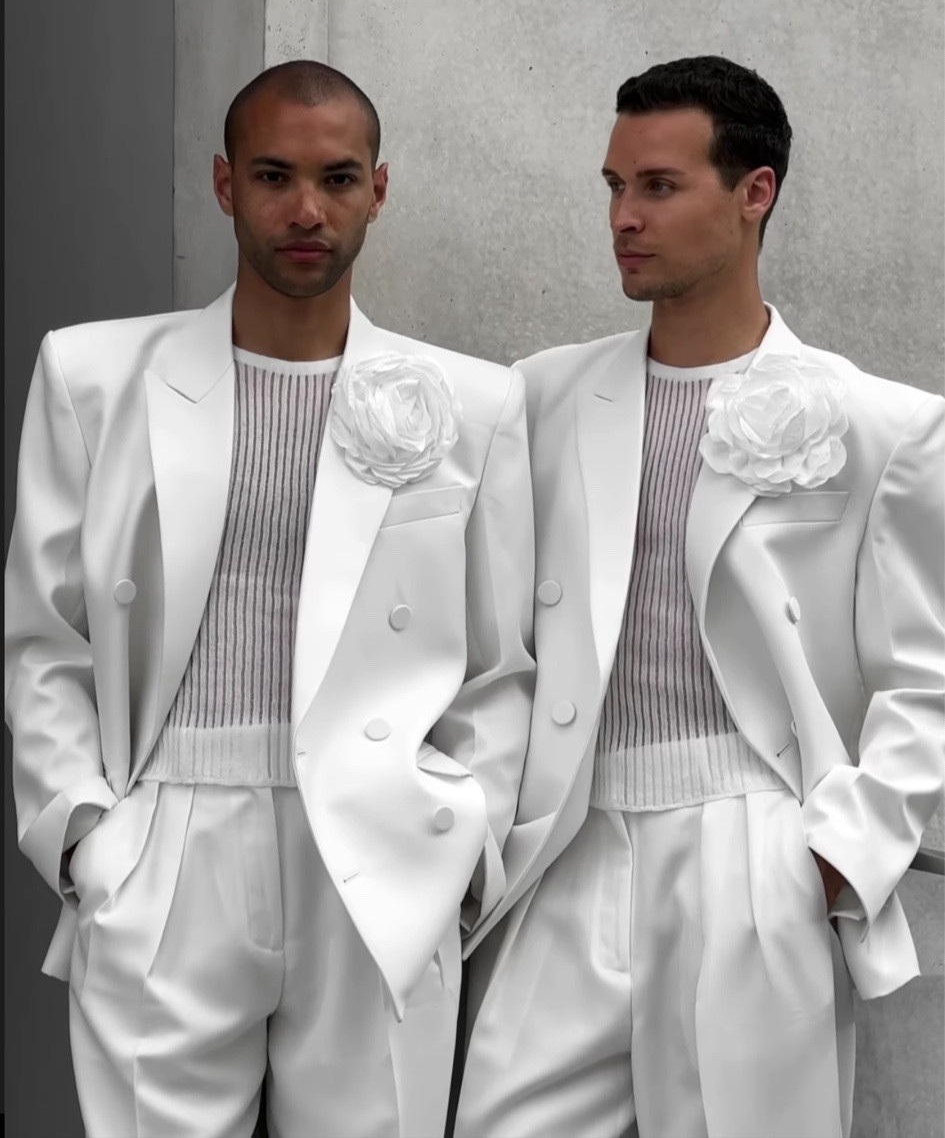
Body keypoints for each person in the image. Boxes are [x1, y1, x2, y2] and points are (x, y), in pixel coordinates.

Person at [5, 59, 535, 1138]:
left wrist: (463, 849)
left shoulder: (472, 403)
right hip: (167, 845)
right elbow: (43, 638)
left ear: (378, 190)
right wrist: (86, 838)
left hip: (381, 855)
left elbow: (498, 662)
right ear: (221, 183)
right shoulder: (94, 377)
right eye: (273, 175)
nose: (306, 210)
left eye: (338, 179)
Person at [454, 55, 944, 1138]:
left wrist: (834, 858)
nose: (624, 217)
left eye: (660, 187)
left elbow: (929, 683)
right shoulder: (538, 397)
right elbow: (490, 643)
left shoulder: (883, 427)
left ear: (754, 193)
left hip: (754, 852)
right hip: (568, 848)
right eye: (614, 187)